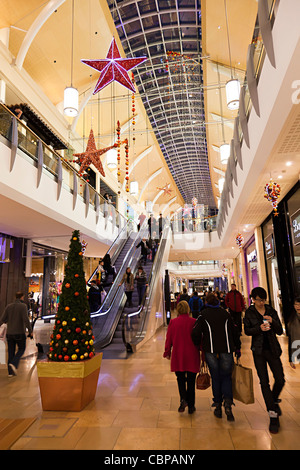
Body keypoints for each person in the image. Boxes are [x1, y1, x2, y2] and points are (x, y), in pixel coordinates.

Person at [192, 293, 241, 421]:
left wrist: (198, 345)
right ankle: (228, 403)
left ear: (206, 302)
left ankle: (218, 405)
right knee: (226, 376)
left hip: (211, 350)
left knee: (216, 377)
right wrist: (238, 347)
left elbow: (195, 332)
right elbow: (234, 331)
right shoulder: (226, 314)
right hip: (227, 349)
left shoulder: (203, 315)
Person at [244, 287, 285, 434]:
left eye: (263, 300)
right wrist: (259, 328)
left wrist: (272, 321)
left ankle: (273, 400)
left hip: (273, 349)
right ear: (253, 299)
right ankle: (272, 414)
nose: (262, 303)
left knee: (280, 379)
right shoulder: (249, 312)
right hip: (259, 351)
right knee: (264, 382)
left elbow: (280, 330)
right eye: (259, 300)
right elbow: (247, 331)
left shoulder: (270, 310)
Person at [163, 300, 200, 414]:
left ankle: (183, 399)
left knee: (180, 379)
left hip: (178, 355)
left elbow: (168, 339)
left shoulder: (173, 322)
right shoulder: (194, 322)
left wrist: (167, 352)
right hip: (192, 354)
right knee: (191, 380)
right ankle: (191, 405)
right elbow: (200, 339)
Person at [0, 292, 33, 377]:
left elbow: (3, 319)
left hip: (10, 333)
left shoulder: (9, 306)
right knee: (22, 349)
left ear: (15, 297)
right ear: (22, 297)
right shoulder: (23, 306)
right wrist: (30, 331)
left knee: (11, 352)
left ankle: (10, 373)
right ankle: (14, 363)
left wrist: (10, 320)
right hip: (20, 332)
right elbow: (26, 320)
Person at [287, 296, 300, 368]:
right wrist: (291, 358)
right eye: (296, 304)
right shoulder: (292, 320)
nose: (298, 307)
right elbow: (290, 339)